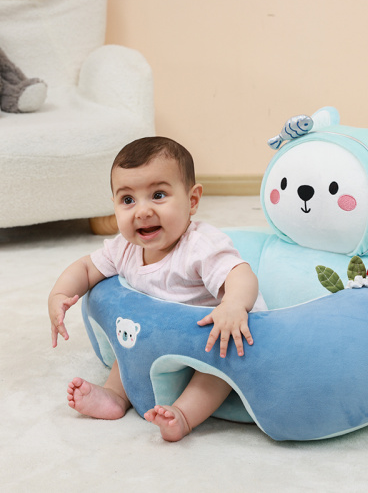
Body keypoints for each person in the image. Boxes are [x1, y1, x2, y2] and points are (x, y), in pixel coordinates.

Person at [48, 136, 266, 442]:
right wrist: (59, 295)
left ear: (192, 201)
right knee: (130, 347)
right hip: (157, 339)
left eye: (158, 195)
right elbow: (86, 268)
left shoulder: (200, 245)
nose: (142, 211)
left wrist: (233, 305)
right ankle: (114, 395)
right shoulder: (123, 248)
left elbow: (240, 274)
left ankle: (184, 415)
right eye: (128, 200)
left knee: (219, 365)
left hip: (207, 336)